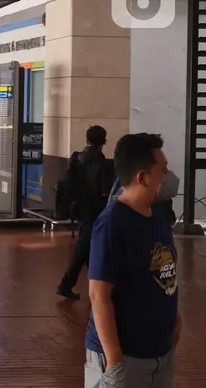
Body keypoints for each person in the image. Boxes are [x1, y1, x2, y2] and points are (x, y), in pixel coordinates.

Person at [85, 133, 181, 387]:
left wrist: (174, 325)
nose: (167, 177)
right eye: (163, 170)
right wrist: (115, 359)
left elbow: (164, 277)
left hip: (160, 356)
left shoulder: (158, 218)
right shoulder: (112, 224)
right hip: (126, 362)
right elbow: (98, 295)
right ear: (142, 177)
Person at [56, 125, 114, 300]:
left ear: (87, 139)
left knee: (88, 249)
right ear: (103, 142)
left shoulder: (76, 159)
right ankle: (66, 285)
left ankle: (98, 287)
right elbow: (105, 192)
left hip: (79, 209)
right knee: (83, 251)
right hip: (96, 212)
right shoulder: (103, 164)